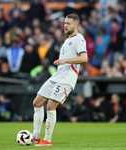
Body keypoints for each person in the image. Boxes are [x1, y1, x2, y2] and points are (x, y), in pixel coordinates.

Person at [32, 14, 88, 146]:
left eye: (68, 23)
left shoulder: (79, 39)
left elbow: (84, 58)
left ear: (76, 25)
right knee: (37, 103)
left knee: (51, 106)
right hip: (57, 76)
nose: (65, 26)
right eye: (64, 23)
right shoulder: (67, 40)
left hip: (67, 78)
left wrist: (65, 60)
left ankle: (47, 140)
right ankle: (35, 136)